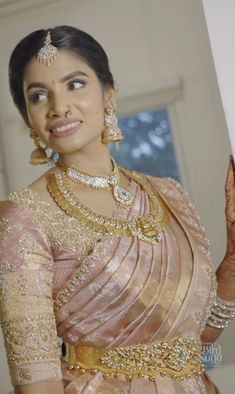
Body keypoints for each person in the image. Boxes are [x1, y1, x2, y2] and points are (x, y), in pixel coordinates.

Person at [0, 25, 234, 394]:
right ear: (29, 116)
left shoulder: (168, 195)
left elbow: (196, 345)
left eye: (74, 84)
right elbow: (37, 381)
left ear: (109, 93)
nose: (59, 107)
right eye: (39, 96)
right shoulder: (23, 218)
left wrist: (233, 259)